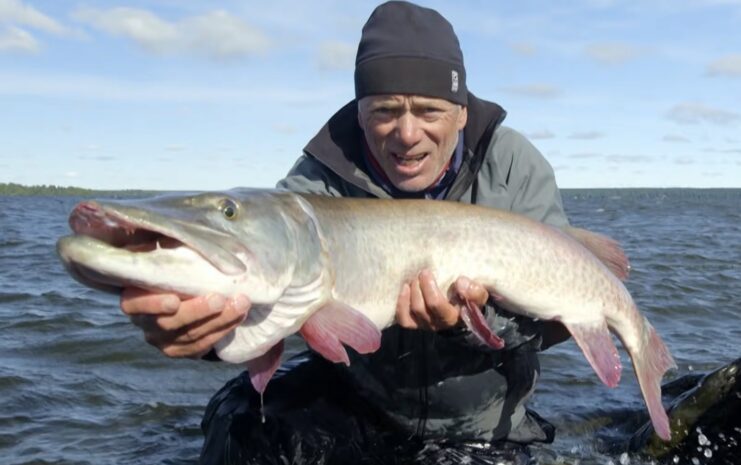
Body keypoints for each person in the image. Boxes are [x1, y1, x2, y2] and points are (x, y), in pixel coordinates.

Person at [120, 2, 572, 463]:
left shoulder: (514, 167)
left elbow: (561, 319)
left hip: (483, 419)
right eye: (385, 110)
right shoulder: (318, 180)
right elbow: (262, 275)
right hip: (361, 402)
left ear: (461, 112)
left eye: (429, 111)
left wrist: (467, 326)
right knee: (240, 423)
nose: (407, 133)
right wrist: (202, 331)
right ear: (359, 112)